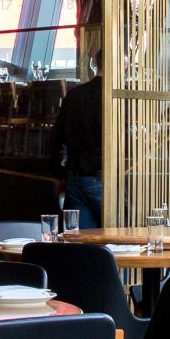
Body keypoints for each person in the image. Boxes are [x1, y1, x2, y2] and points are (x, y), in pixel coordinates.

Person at [53, 48, 102, 228]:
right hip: (101, 178)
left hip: (74, 180)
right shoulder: (115, 98)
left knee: (79, 245)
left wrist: (58, 176)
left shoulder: (75, 95)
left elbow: (56, 138)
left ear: (95, 64)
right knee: (119, 240)